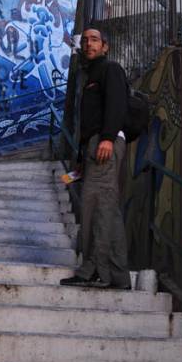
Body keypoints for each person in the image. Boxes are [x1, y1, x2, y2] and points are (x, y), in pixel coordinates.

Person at [60, 27, 131, 289]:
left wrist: (107, 137)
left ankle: (93, 269)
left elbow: (117, 104)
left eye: (95, 40)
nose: (89, 44)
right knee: (108, 210)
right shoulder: (89, 76)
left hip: (105, 143)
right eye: (85, 41)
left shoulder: (110, 69)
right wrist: (81, 157)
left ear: (105, 46)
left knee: (95, 207)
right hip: (94, 146)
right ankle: (118, 275)